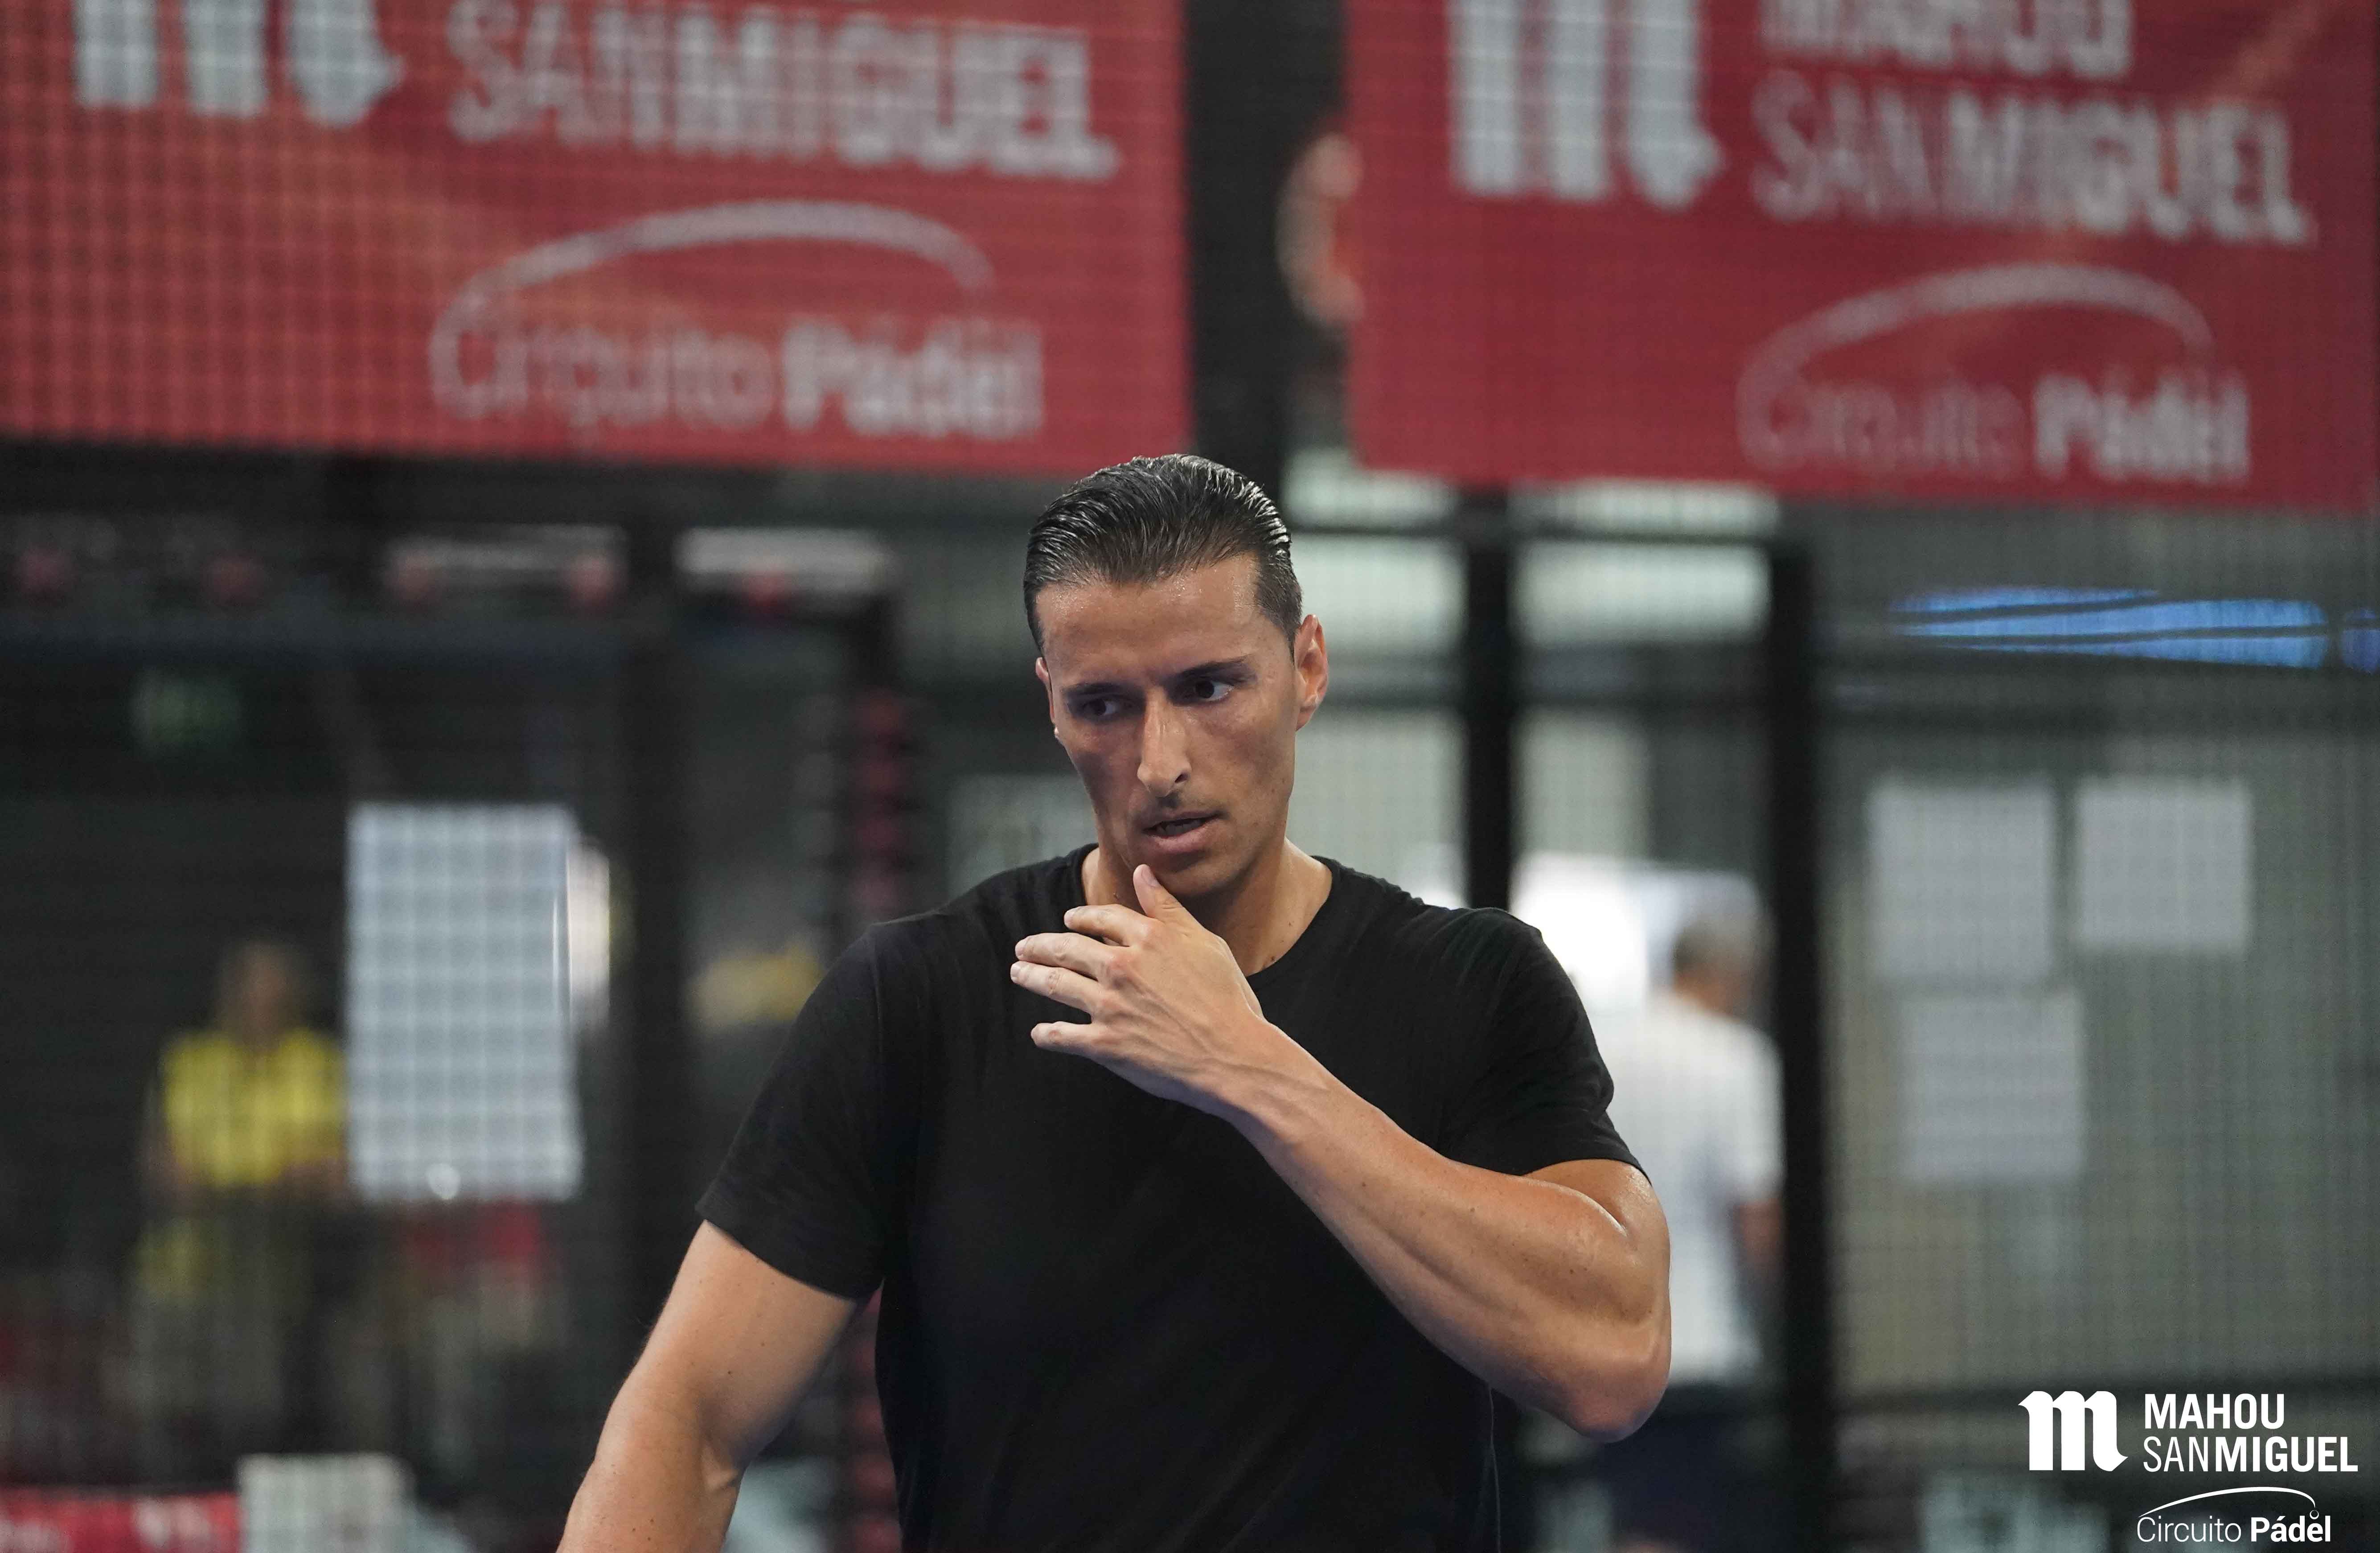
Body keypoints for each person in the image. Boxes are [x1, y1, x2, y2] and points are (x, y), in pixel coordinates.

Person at [559, 454, 1671, 1553]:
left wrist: (1247, 1065)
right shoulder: (922, 1002)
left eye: (1208, 687)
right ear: (1052, 704)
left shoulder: (1469, 985)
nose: (1159, 761)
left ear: (1307, 667)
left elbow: (1612, 1358)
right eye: (1104, 705)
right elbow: (688, 1423)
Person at [1585, 912, 1782, 1553]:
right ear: (1733, 973)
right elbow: (1755, 1213)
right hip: (1702, 1343)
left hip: (1608, 1336)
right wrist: (1773, 1318)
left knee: (1634, 1518)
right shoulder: (1736, 1058)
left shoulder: (1604, 1052)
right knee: (1685, 1525)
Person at [130, 937, 347, 1475]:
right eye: (249, 993)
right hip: (183, 1264)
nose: (259, 1006)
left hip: (274, 1269)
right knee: (163, 1404)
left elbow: (332, 1171)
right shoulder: (190, 1062)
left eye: (274, 997)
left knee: (252, 1406)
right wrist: (255, 1180)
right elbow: (163, 1166)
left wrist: (241, 1186)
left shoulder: (318, 1064)